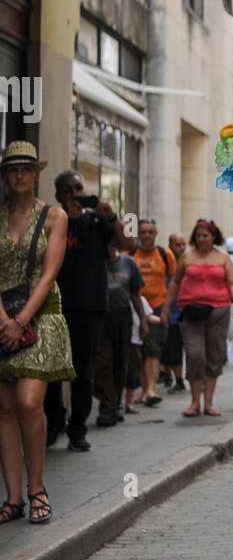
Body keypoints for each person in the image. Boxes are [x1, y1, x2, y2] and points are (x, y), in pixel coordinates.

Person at [0, 142, 73, 526]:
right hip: (0, 319)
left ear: (36, 174)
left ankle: (37, 489)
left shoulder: (54, 215)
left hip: (41, 315)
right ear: (5, 175)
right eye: (12, 169)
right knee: (5, 407)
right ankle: (13, 497)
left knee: (29, 403)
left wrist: (21, 320)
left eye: (25, 169)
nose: (18, 176)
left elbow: (49, 273)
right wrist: (3, 319)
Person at [44, 170, 131, 451]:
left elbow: (128, 243)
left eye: (78, 188)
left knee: (84, 370)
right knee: (53, 369)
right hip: (53, 306)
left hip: (90, 307)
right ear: (59, 195)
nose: (74, 194)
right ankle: (54, 423)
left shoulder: (96, 221)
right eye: (68, 189)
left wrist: (110, 213)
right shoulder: (50, 220)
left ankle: (77, 429)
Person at [160, 219, 233, 416]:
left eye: (205, 235)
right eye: (198, 235)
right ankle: (194, 402)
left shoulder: (223, 258)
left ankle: (208, 402)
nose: (202, 239)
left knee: (214, 357)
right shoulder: (186, 258)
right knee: (195, 355)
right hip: (190, 313)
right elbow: (175, 283)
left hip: (218, 312)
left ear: (213, 237)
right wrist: (165, 308)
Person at [94, 243, 149, 426]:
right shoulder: (94, 262)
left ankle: (115, 404)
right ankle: (107, 406)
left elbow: (135, 294)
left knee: (120, 362)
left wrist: (143, 320)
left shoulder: (128, 263)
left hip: (123, 316)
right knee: (103, 363)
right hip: (100, 316)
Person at [131, 218, 175, 407]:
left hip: (156, 307)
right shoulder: (130, 254)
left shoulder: (165, 255)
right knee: (138, 351)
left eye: (150, 232)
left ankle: (150, 390)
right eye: (143, 232)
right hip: (134, 309)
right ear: (138, 234)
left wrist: (167, 308)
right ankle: (143, 390)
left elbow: (174, 282)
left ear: (156, 234)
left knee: (153, 350)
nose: (147, 235)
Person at [159, 232, 188, 392]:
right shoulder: (165, 263)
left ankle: (178, 379)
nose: (182, 248)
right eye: (178, 245)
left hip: (183, 314)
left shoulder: (188, 263)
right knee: (168, 347)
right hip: (169, 313)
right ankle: (168, 375)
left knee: (176, 348)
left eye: (183, 245)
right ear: (170, 246)